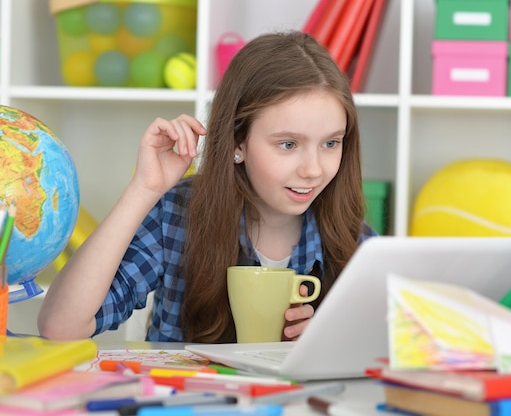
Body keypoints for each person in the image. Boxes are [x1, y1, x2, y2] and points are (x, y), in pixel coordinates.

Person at [38, 31, 378, 344]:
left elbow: (405, 349)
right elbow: (61, 326)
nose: (313, 170)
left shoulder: (356, 242)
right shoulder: (177, 215)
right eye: (288, 145)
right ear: (237, 142)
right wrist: (145, 188)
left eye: (331, 143)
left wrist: (335, 341)